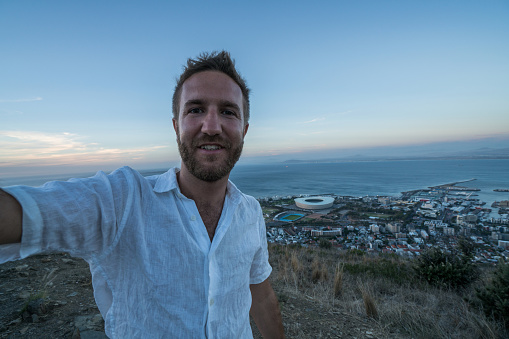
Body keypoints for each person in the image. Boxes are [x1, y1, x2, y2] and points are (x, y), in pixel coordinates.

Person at [0, 51, 285, 338]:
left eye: (228, 111)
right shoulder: (124, 200)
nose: (211, 126)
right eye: (195, 109)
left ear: (244, 130)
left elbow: (260, 295)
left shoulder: (250, 212)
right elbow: (33, 212)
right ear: (176, 126)